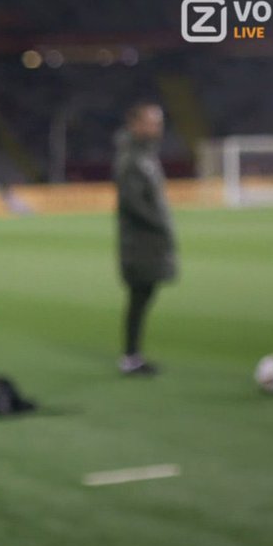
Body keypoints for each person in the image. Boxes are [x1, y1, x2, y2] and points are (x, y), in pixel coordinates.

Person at [113, 102, 177, 376]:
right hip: (139, 243)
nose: (157, 128)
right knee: (139, 296)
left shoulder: (145, 155)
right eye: (151, 122)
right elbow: (131, 201)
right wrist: (160, 223)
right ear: (135, 124)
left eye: (159, 122)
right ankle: (131, 357)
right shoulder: (132, 159)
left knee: (144, 295)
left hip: (148, 241)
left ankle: (133, 354)